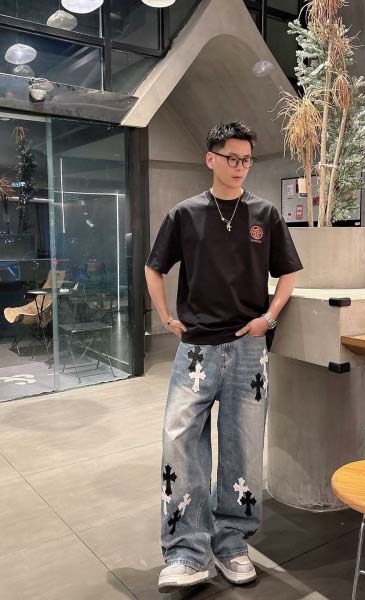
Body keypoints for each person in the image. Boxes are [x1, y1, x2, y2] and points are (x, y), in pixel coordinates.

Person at [145, 121, 302, 593]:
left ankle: (232, 541)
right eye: (231, 158)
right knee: (179, 441)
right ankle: (186, 551)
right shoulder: (185, 213)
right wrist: (166, 317)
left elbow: (289, 273)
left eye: (246, 159)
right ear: (210, 158)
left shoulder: (265, 214)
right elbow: (154, 267)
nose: (240, 167)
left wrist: (268, 318)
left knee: (244, 447)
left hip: (248, 350)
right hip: (196, 349)